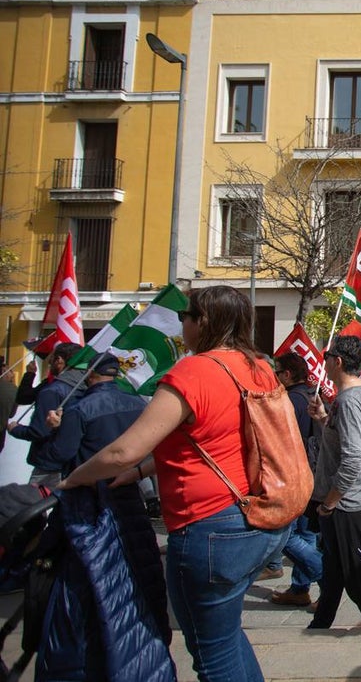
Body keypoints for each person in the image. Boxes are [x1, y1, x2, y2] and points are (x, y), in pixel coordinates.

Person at [58, 285, 291, 681]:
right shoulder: (258, 367)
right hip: (262, 518)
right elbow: (206, 439)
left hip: (210, 527)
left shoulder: (193, 370)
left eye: (186, 316)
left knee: (212, 654)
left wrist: (72, 480)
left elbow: (123, 451)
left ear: (203, 322)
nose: (181, 323)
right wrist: (139, 472)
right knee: (226, 638)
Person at [307, 336, 361, 628]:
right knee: (333, 576)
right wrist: (322, 418)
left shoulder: (349, 401)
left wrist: (330, 502)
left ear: (338, 362)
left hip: (346, 508)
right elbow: (343, 442)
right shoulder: (354, 396)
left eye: (327, 357)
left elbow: (353, 458)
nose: (324, 362)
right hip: (344, 504)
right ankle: (319, 626)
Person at [267, 353, 323, 608]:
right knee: (306, 533)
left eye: (276, 372)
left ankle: (325, 575)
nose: (274, 377)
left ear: (287, 375)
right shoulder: (311, 396)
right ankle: (300, 588)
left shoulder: (289, 400)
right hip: (310, 475)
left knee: (282, 536)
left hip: (292, 476)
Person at [41, 355, 146, 474]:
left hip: (89, 482)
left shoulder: (78, 408)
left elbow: (61, 453)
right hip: (128, 478)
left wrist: (56, 430)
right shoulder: (140, 404)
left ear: (90, 372)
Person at [6, 342, 86, 487]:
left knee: (32, 506)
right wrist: (30, 374)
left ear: (59, 360)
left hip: (50, 462)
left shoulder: (53, 390)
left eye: (52, 357)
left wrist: (15, 429)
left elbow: (40, 431)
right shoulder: (87, 386)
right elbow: (24, 397)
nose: (49, 361)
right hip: (79, 461)